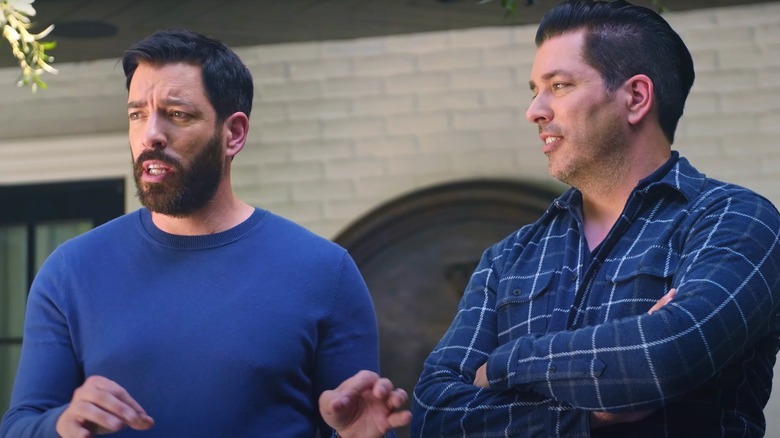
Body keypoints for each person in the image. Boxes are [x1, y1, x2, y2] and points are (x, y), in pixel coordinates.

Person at [0, 29, 396, 438]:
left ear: (233, 134)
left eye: (177, 114)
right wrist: (61, 425)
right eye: (137, 114)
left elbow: (363, 423)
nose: (150, 134)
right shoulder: (70, 271)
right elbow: (20, 426)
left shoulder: (325, 273)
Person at [411, 0, 780, 437]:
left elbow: (664, 357)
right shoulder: (507, 258)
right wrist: (584, 414)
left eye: (559, 85)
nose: (535, 111)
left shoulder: (735, 220)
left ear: (636, 97)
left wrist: (501, 365)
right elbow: (434, 411)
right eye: (535, 90)